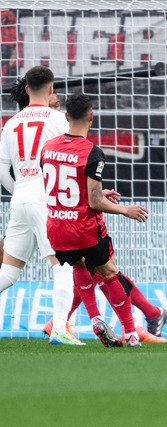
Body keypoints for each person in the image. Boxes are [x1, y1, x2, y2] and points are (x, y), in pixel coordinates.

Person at [41, 92, 150, 348]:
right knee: (110, 272)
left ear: (66, 117)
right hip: (84, 229)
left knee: (79, 266)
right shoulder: (92, 152)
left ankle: (95, 317)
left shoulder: (48, 147)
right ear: (92, 117)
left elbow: (57, 185)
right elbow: (93, 202)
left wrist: (98, 192)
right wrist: (125, 210)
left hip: (57, 228)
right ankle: (132, 332)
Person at [0, 66, 79, 345]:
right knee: (64, 264)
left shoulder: (10, 123)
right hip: (47, 199)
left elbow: (2, 168)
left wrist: (19, 189)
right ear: (49, 89)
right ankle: (60, 328)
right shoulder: (58, 120)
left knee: (8, 271)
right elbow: (73, 161)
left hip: (19, 198)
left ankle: (60, 328)